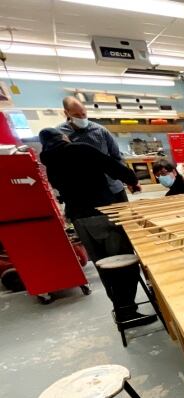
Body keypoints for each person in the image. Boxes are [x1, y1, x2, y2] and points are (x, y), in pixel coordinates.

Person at [38, 128, 153, 326]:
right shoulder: (80, 149)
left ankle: (121, 308)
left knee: (104, 266)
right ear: (63, 137)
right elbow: (113, 166)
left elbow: (58, 188)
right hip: (101, 214)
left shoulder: (49, 162)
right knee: (124, 263)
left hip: (79, 219)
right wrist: (133, 181)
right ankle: (128, 312)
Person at [58, 96, 129, 203]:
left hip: (113, 188)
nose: (81, 118)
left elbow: (117, 157)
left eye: (83, 114)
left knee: (125, 216)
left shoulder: (100, 131)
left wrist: (128, 179)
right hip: (84, 193)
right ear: (66, 113)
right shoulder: (59, 134)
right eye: (76, 115)